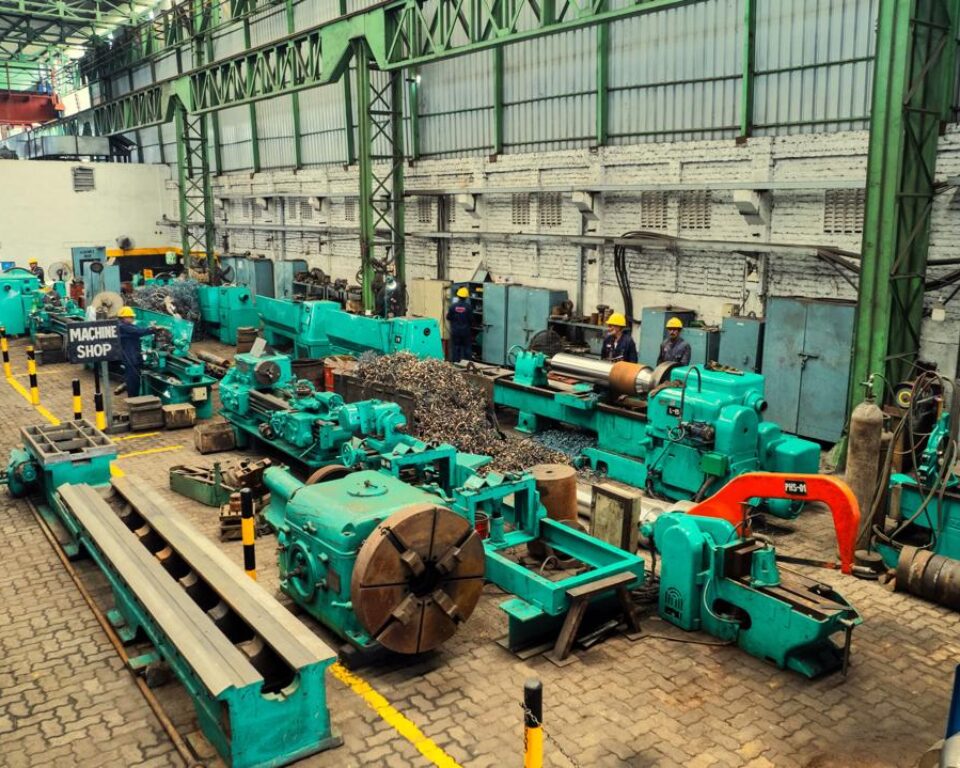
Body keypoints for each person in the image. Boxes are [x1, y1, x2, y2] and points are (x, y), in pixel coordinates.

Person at [117, 306, 155, 398]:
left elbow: (138, 328)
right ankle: (133, 400)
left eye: (132, 317)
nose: (132, 318)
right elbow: (138, 331)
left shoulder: (128, 325)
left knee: (135, 379)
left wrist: (150, 328)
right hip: (130, 358)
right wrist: (152, 329)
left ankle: (136, 396)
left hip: (134, 356)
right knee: (132, 381)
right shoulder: (122, 326)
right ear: (123, 318)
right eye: (130, 317)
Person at [447, 287, 473, 363]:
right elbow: (471, 319)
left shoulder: (453, 306)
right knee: (467, 348)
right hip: (465, 332)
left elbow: (448, 317)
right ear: (466, 297)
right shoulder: (468, 307)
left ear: (458, 296)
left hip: (455, 331)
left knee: (455, 348)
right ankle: (467, 364)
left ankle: (455, 364)